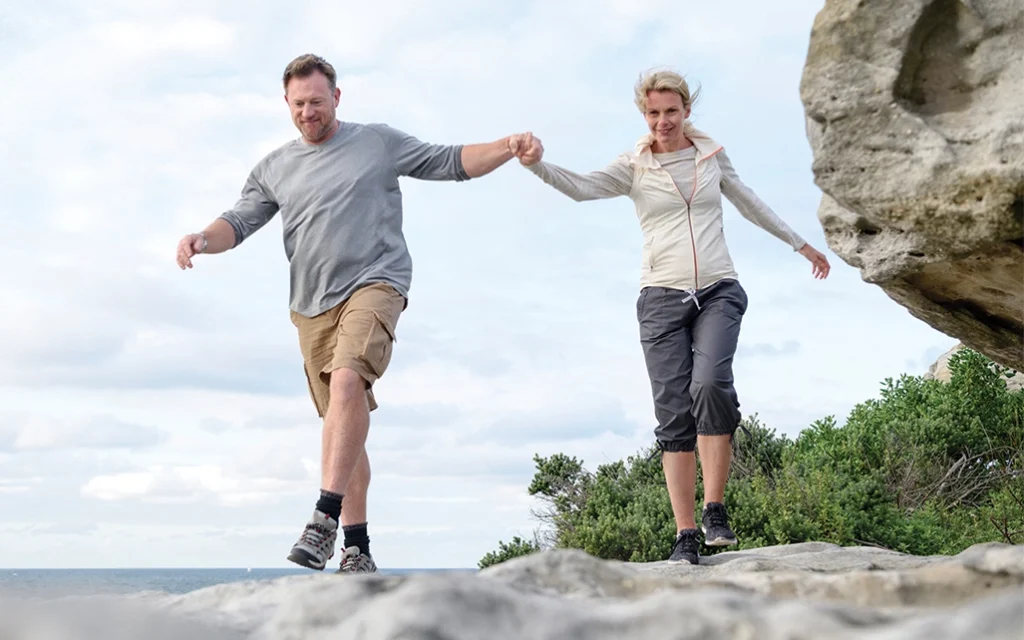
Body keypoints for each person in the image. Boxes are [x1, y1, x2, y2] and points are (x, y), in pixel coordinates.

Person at [175, 53, 531, 574]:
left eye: (317, 101)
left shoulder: (375, 142)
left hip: (376, 283)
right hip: (310, 307)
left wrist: (506, 146)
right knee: (344, 421)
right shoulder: (274, 167)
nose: (308, 112)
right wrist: (203, 239)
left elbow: (450, 161)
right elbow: (239, 221)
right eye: (298, 104)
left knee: (347, 382)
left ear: (336, 98)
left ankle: (323, 518)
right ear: (286, 104)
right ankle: (357, 549)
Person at [511, 69, 830, 565]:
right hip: (660, 297)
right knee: (674, 413)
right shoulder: (634, 165)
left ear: (686, 111)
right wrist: (537, 165)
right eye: (654, 113)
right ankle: (686, 534)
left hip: (719, 288)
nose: (663, 121)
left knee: (710, 385)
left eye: (671, 111)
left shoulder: (710, 156)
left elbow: (749, 203)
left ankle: (715, 509)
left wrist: (801, 243)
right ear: (645, 114)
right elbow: (581, 188)